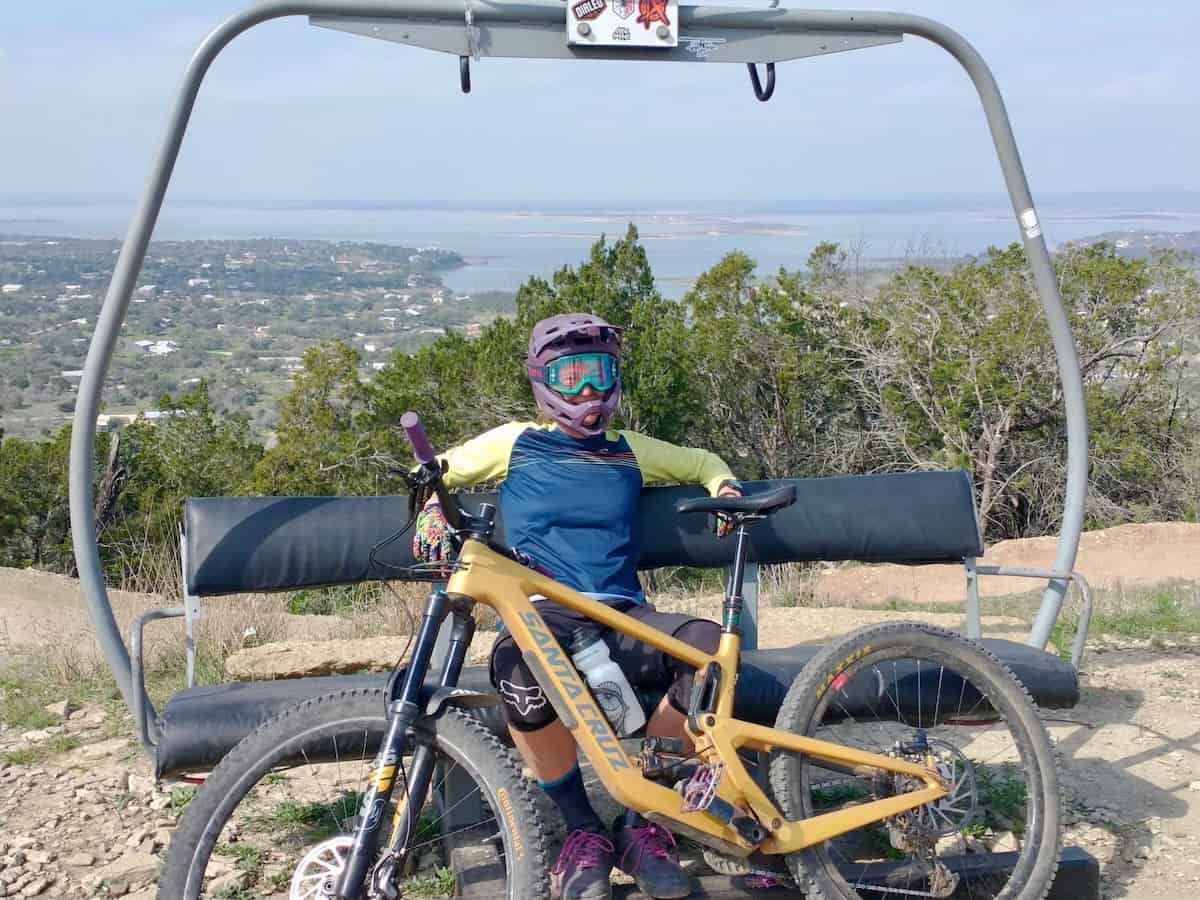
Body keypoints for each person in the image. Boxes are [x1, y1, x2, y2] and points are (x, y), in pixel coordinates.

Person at [413, 313, 741, 900]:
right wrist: (432, 509)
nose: (587, 391)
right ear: (544, 383)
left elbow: (700, 462)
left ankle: (645, 822)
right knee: (517, 671)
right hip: (543, 613)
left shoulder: (630, 450)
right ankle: (582, 831)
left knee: (710, 652)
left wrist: (724, 488)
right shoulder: (515, 442)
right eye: (570, 376)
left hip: (621, 613)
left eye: (599, 373)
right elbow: (434, 473)